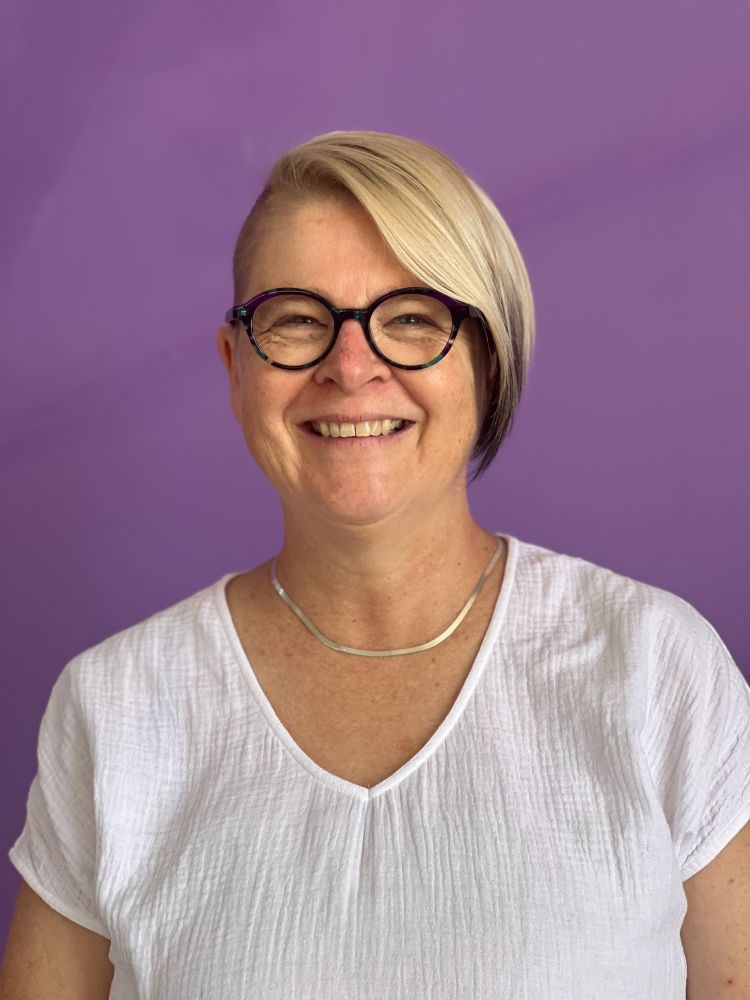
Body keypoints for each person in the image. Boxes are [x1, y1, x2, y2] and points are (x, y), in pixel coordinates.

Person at [2, 129, 749, 1000]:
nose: (351, 367)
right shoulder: (114, 710)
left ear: (488, 355)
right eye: (296, 320)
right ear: (236, 368)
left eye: (409, 319)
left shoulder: (658, 669)